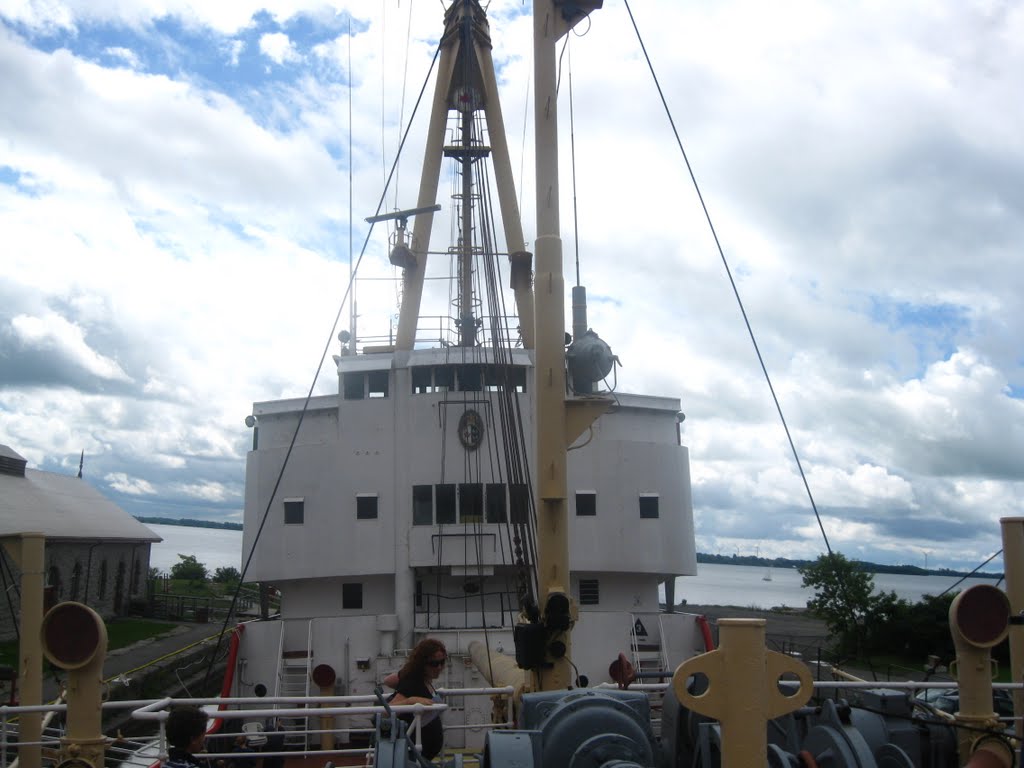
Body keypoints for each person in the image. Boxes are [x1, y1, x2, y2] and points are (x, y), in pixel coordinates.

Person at [388, 638, 447, 761]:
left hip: (422, 755)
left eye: (442, 662)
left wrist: (401, 679)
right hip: (414, 755)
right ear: (422, 663)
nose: (439, 667)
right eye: (434, 664)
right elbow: (386, 712)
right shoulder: (413, 683)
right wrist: (410, 700)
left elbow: (389, 680)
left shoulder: (425, 679)